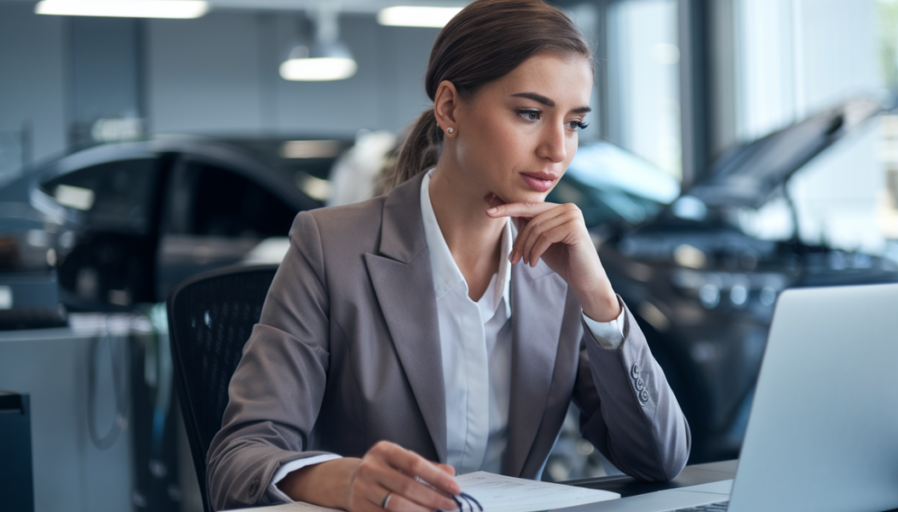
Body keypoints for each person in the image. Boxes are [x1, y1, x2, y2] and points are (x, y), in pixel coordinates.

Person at [206, 0, 690, 509]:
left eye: (574, 123)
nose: (556, 149)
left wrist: (599, 301)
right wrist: (345, 483)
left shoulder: (562, 268)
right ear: (450, 108)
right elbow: (238, 460)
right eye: (530, 113)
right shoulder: (331, 249)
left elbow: (658, 459)